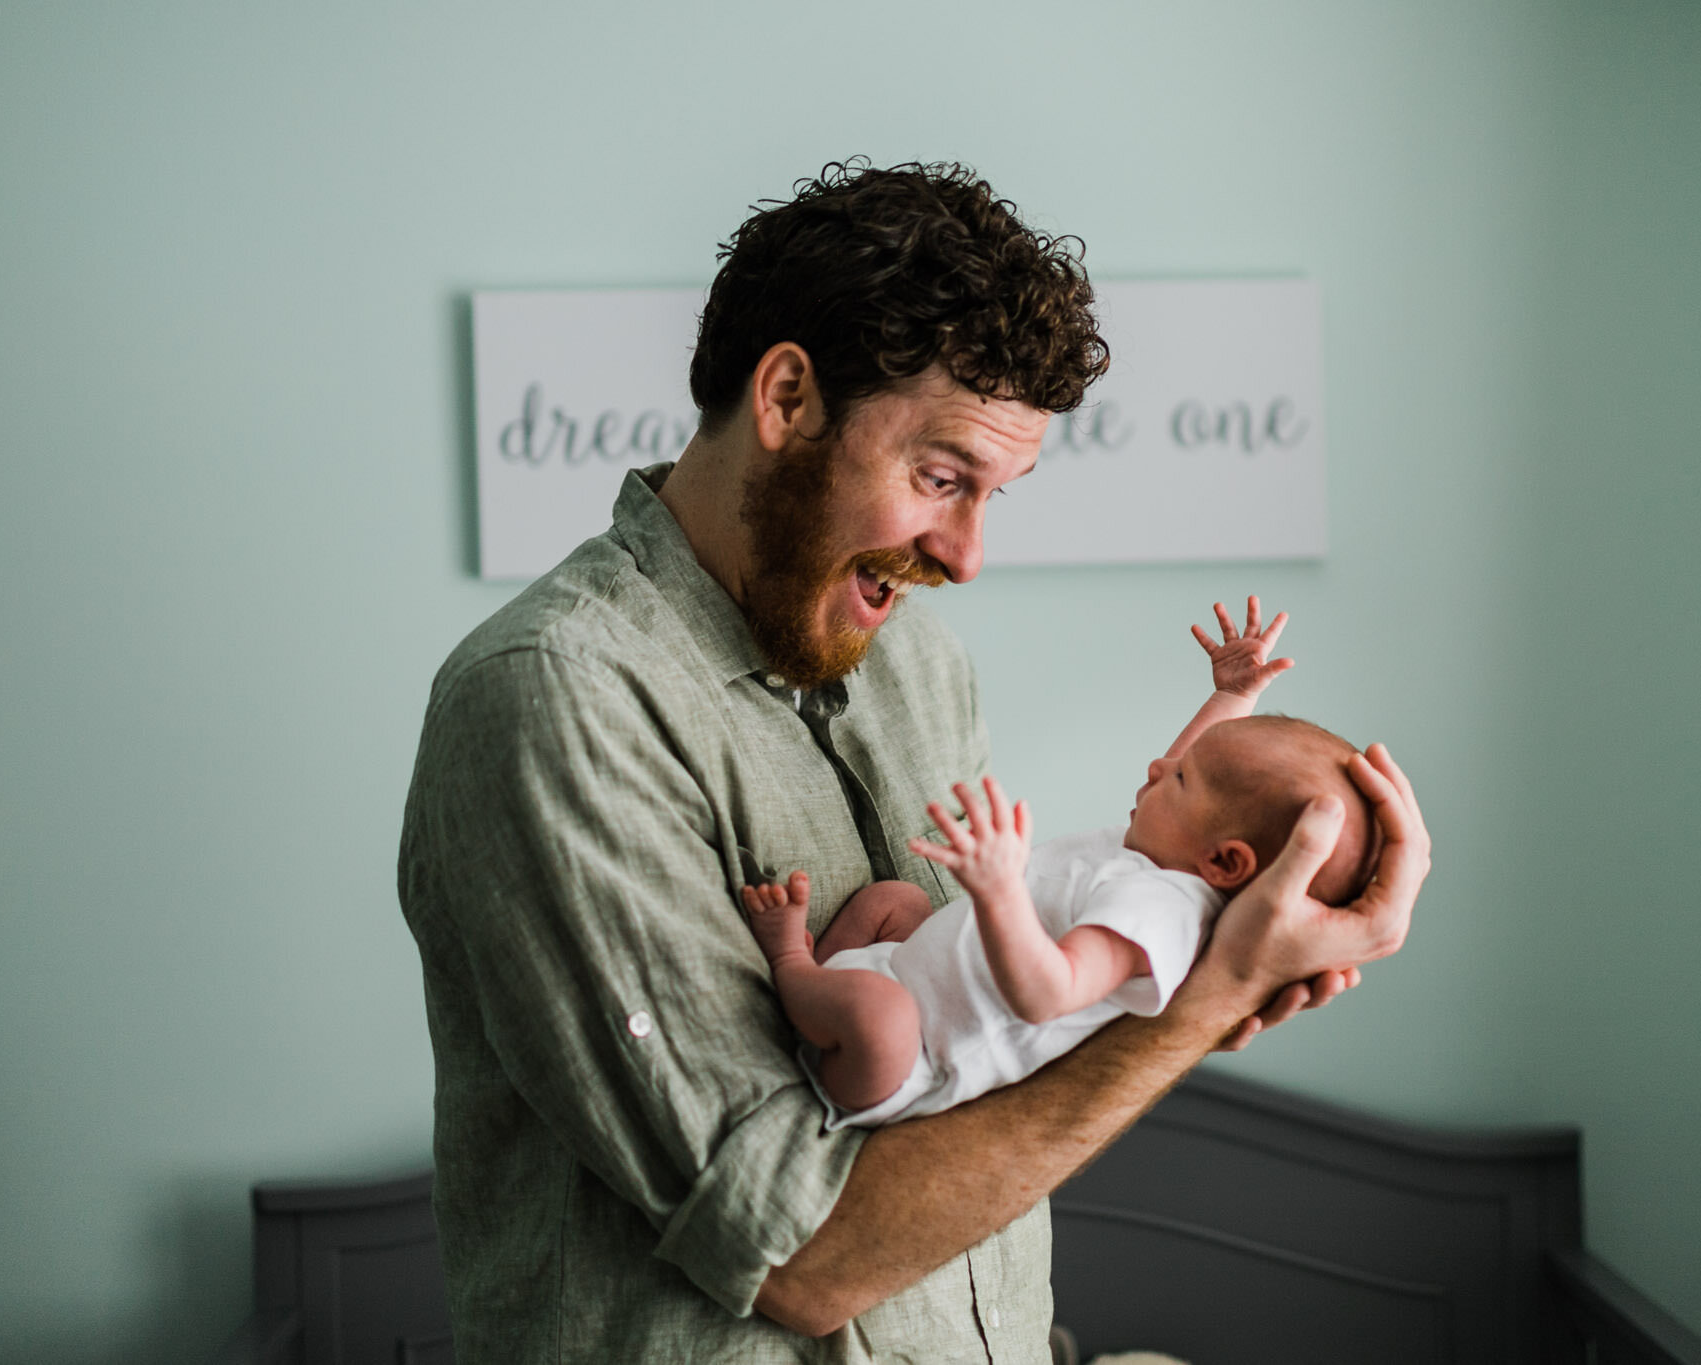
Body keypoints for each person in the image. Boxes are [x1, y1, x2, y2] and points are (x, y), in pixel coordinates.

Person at [398, 161, 1428, 1363]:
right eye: (940, 477)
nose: (969, 552)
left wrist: (1220, 962)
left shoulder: (917, 667)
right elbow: (797, 1256)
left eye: (995, 493)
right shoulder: (557, 699)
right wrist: (1196, 1009)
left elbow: (981, 1063)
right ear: (785, 397)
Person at [742, 599, 1380, 1129]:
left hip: (911, 1059)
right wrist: (1231, 697)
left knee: (880, 1019)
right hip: (905, 974)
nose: (1159, 767)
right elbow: (1203, 769)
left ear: (1223, 861)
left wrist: (998, 892)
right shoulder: (1164, 861)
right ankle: (826, 990)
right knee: (896, 902)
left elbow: (1047, 994)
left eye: (1179, 780)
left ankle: (792, 968)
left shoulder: (1162, 916)